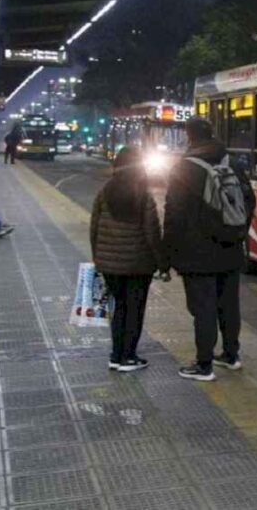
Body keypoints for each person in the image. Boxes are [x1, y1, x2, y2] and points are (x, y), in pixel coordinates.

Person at [164, 117, 256, 382]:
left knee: (203, 308)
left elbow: (174, 215)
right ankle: (231, 355)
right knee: (229, 304)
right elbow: (249, 201)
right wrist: (236, 232)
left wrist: (167, 253)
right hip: (230, 249)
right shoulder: (233, 163)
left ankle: (204, 365)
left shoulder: (183, 168)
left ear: (189, 137)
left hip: (196, 253)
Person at [91, 146, 169, 373]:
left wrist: (98, 257)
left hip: (109, 265)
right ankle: (129, 356)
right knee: (135, 310)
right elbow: (152, 233)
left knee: (118, 309)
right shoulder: (142, 195)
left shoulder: (104, 192)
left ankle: (116, 355)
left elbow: (94, 227)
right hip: (138, 265)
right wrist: (162, 263)